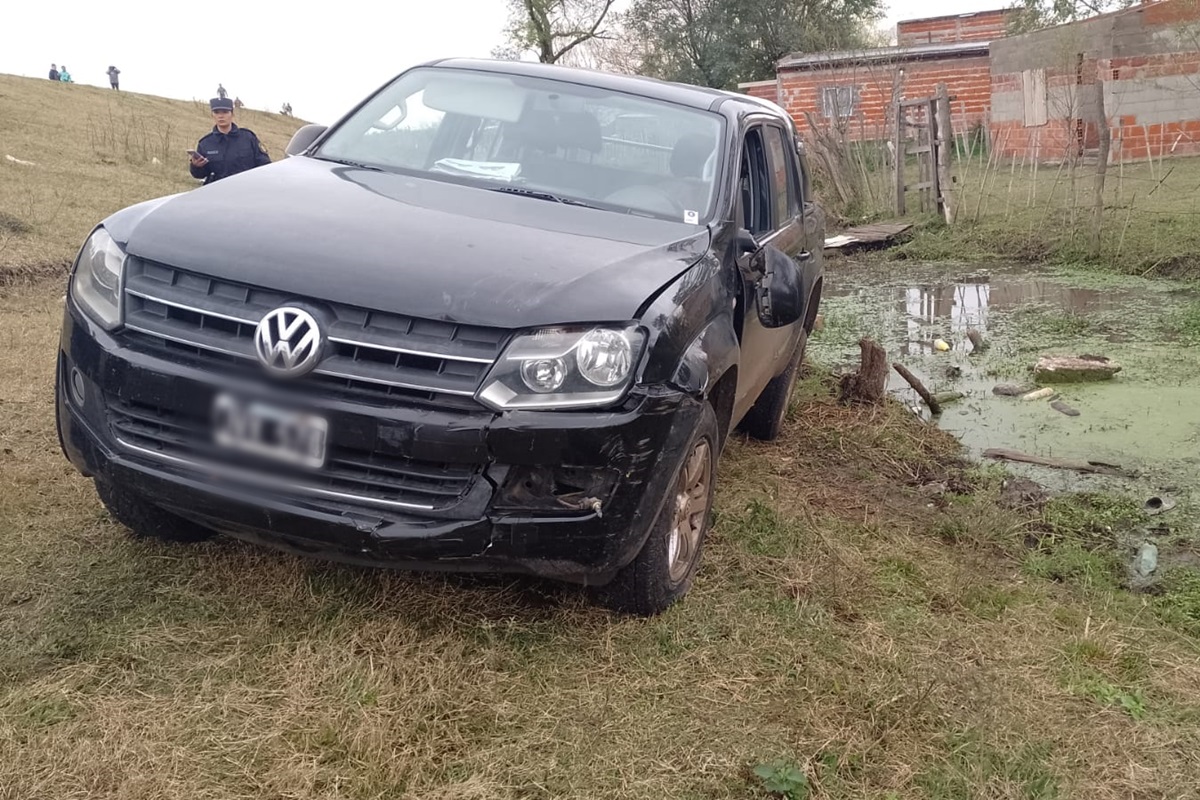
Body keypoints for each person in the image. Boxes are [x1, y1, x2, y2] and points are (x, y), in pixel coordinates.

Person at [189, 96, 271, 185]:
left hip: (247, 189)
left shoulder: (248, 137)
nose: (221, 116)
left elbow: (265, 164)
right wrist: (196, 166)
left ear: (232, 114)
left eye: (225, 112)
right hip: (218, 192)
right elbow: (200, 175)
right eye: (216, 112)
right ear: (212, 115)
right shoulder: (205, 143)